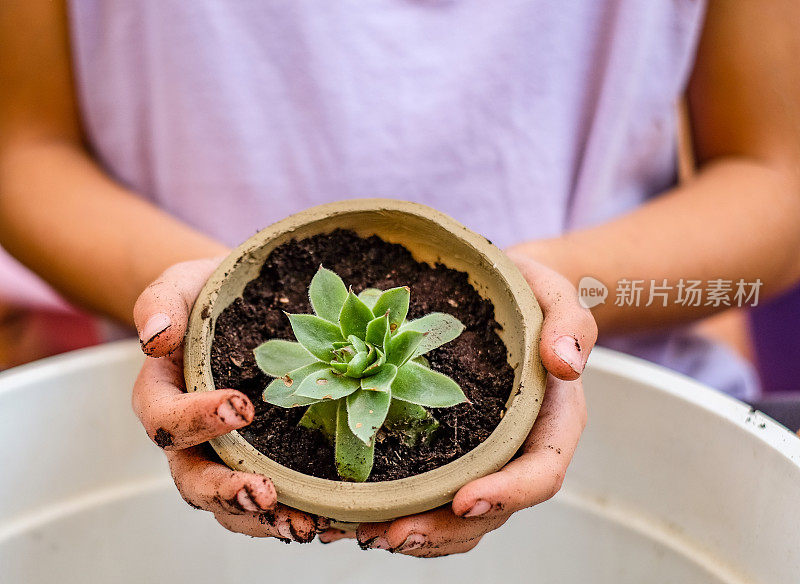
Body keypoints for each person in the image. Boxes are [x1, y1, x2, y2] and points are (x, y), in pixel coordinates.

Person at [1, 0, 798, 556]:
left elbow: (777, 177)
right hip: (159, 420)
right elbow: (22, 146)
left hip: (640, 418)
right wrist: (191, 303)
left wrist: (550, 295)